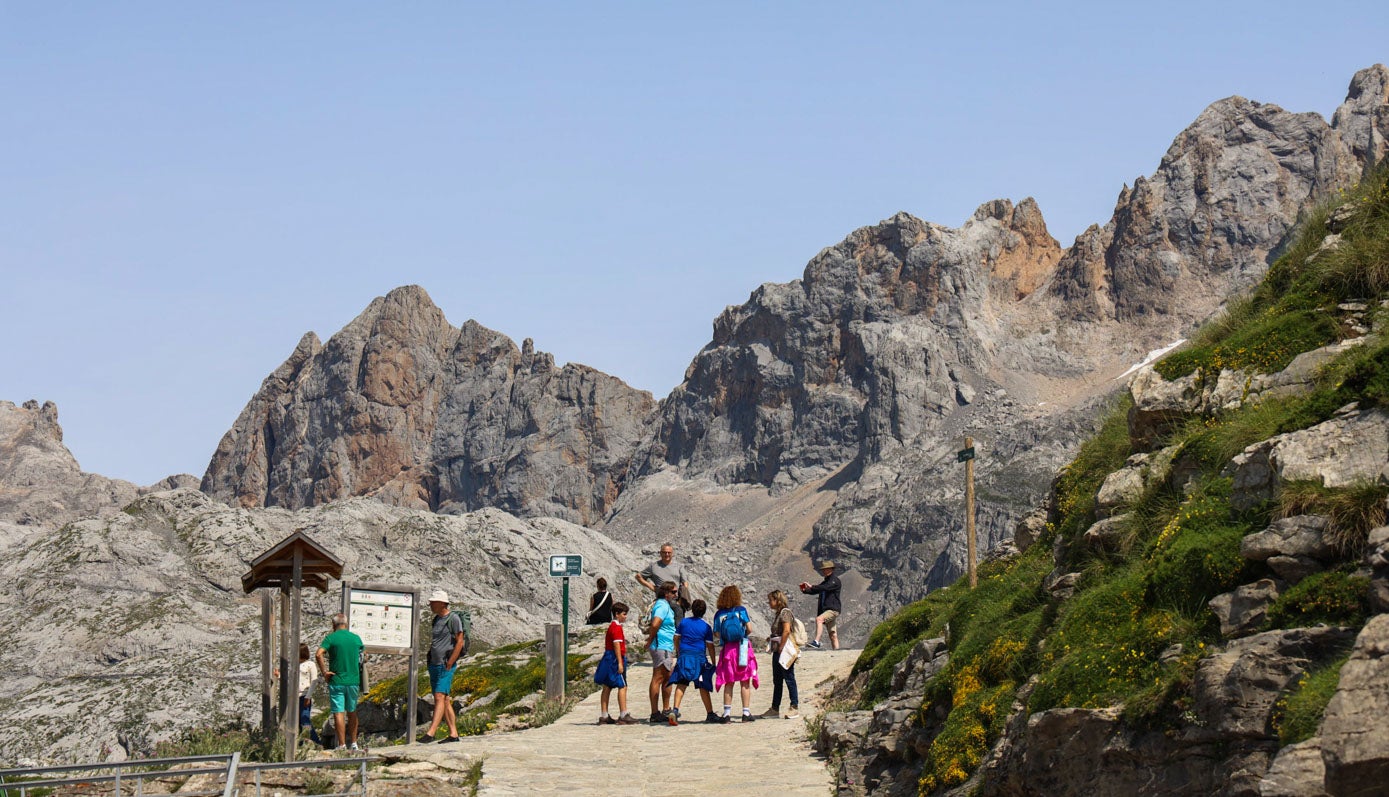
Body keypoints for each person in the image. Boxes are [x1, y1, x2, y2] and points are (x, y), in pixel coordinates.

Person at [418, 589, 467, 744]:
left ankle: (431, 732)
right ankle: (453, 734)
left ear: (442, 603)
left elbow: (460, 641)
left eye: (433, 602)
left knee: (439, 696)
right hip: (434, 664)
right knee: (444, 699)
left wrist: (451, 661)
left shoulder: (453, 619)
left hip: (446, 664)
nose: (430, 604)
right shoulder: (436, 619)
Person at [666, 598, 723, 725]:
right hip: (699, 659)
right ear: (704, 612)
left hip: (685, 656)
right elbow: (710, 646)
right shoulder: (706, 627)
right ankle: (710, 713)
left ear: (692, 609)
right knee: (703, 686)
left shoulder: (684, 623)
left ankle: (675, 710)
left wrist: (678, 650)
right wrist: (713, 662)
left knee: (681, 683)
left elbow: (676, 637)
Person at [316, 613, 365, 751]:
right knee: (352, 711)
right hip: (353, 680)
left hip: (337, 680)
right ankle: (354, 743)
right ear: (346, 624)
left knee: (339, 713)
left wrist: (324, 672)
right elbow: (364, 656)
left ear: (333, 625)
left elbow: (318, 654)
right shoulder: (356, 638)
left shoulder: (331, 638)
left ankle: (342, 745)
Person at [712, 585, 758, 722]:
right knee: (745, 681)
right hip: (742, 647)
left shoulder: (719, 614)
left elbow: (716, 632)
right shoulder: (741, 610)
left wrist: (726, 637)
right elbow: (750, 628)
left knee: (729, 681)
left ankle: (726, 714)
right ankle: (746, 713)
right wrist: (742, 634)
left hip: (728, 650)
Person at [594, 602, 639, 725]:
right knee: (622, 685)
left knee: (607, 686)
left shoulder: (611, 627)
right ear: (617, 614)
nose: (625, 617)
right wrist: (620, 662)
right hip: (615, 658)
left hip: (608, 657)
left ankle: (604, 715)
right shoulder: (617, 628)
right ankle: (623, 714)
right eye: (624, 614)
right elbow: (617, 645)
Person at [645, 581, 678, 723]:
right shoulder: (662, 605)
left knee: (667, 677)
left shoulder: (665, 605)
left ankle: (665, 709)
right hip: (661, 645)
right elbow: (656, 623)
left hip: (665, 645)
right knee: (659, 677)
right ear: (667, 593)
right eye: (674, 592)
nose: (676, 594)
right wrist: (650, 639)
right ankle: (655, 712)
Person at [764, 590, 800, 719]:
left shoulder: (785, 613)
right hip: (777, 650)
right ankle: (775, 708)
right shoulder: (779, 613)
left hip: (783, 651)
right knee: (777, 680)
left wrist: (781, 646)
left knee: (789, 678)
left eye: (771, 600)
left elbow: (786, 631)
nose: (769, 603)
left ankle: (794, 706)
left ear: (777, 600)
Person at [635, 544, 690, 619]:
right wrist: (653, 588)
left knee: (678, 616)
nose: (667, 554)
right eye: (664, 552)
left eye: (669, 552)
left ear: (672, 553)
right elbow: (639, 576)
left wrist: (681, 600)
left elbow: (685, 583)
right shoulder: (654, 567)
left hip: (676, 599)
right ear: (660, 553)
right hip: (662, 599)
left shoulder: (679, 566)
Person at [799, 559, 842, 650]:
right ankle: (837, 651)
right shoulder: (825, 582)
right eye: (823, 569)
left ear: (831, 569)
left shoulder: (834, 581)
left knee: (819, 619)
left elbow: (825, 588)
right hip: (827, 610)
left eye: (825, 569)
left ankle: (816, 642)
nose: (824, 571)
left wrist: (812, 586)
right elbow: (817, 590)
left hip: (833, 609)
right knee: (833, 634)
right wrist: (805, 590)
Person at [296, 644, 322, 744]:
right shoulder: (294, 665)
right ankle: (300, 742)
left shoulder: (310, 664)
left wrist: (308, 696)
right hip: (294, 697)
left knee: (305, 720)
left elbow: (314, 681)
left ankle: (316, 742)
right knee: (297, 721)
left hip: (304, 696)